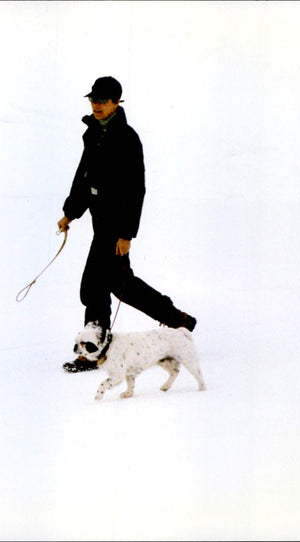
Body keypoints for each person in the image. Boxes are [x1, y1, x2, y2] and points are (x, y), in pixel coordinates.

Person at [57, 76, 197, 373]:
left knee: (95, 286)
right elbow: (84, 176)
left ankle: (92, 350)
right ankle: (178, 321)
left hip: (116, 224)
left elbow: (136, 190)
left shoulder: (127, 138)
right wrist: (71, 212)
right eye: (93, 100)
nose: (96, 105)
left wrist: (126, 233)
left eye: (103, 101)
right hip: (100, 221)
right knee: (121, 285)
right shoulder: (93, 133)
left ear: (117, 103)